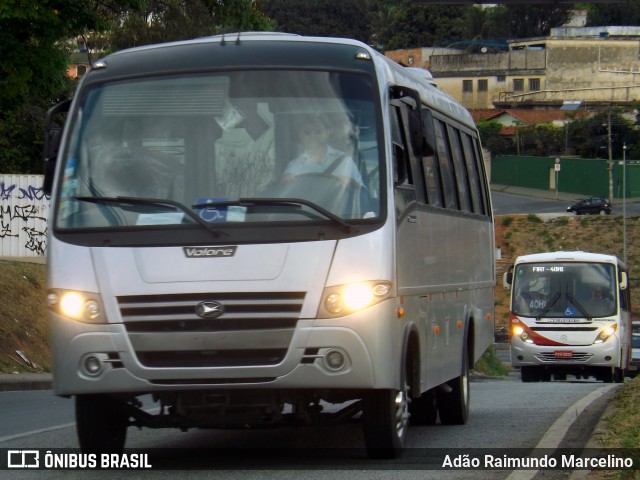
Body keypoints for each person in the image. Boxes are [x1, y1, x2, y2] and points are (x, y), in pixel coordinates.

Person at [282, 114, 363, 186]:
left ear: (328, 133)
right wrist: (284, 183)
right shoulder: (294, 166)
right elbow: (284, 196)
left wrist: (351, 182)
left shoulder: (345, 161)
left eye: (318, 131)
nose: (312, 135)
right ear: (301, 135)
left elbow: (363, 195)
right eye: (307, 132)